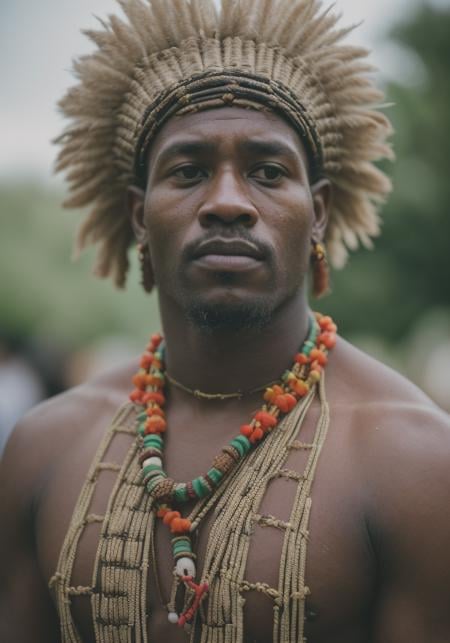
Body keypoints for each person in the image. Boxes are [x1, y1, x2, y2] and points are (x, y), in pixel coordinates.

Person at [1, 0, 449, 641]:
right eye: (189, 172)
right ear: (138, 216)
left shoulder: (417, 462)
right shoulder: (44, 447)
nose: (229, 202)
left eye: (268, 172)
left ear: (316, 212)